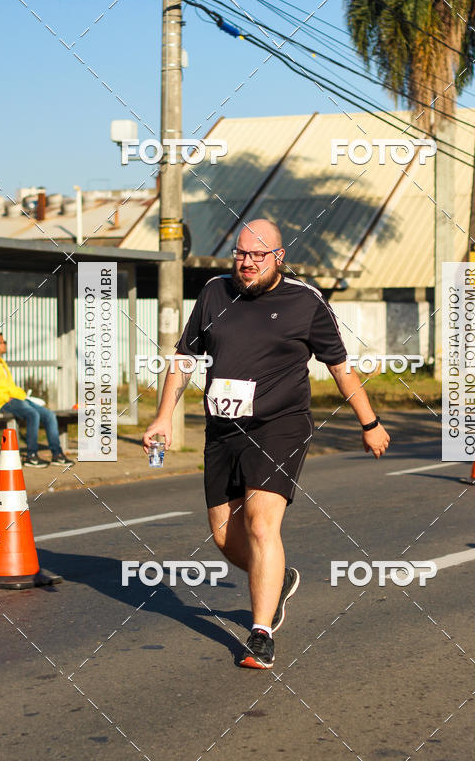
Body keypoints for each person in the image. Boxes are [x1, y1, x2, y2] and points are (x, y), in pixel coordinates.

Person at [142, 219, 390, 669]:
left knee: (260, 525)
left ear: (278, 257)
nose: (247, 263)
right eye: (240, 254)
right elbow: (183, 358)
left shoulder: (306, 301)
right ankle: (278, 579)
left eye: (258, 255)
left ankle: (259, 633)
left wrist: (369, 422)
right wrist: (163, 417)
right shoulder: (215, 292)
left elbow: (339, 366)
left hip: (280, 426)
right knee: (224, 537)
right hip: (223, 429)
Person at [0, 332, 75, 468]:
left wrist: (22, 395)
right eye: (3, 342)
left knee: (49, 415)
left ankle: (57, 454)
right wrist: (5, 398)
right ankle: (32, 456)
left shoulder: (0, 363)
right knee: (33, 414)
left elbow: (9, 385)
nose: (6, 344)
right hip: (4, 402)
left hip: (19, 399)